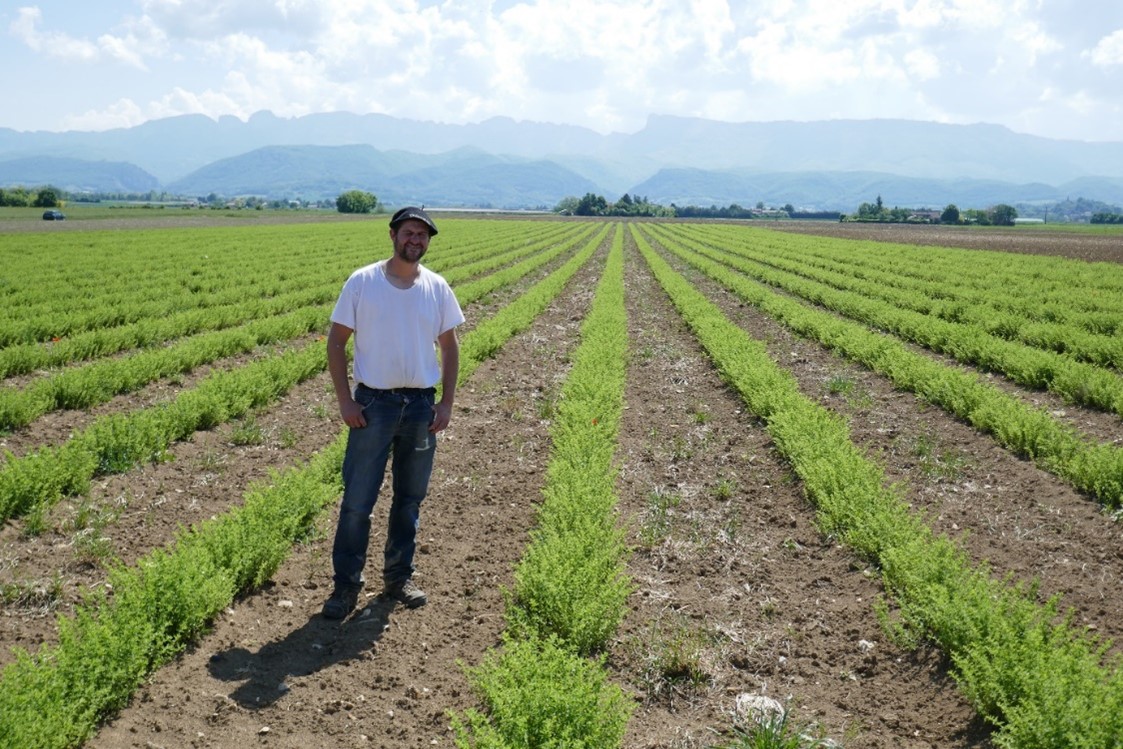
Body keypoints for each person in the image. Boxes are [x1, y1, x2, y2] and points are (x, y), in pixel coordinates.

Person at [321, 206, 464, 619]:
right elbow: (335, 343)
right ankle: (345, 587)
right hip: (373, 406)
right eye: (409, 232)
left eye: (423, 235)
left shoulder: (437, 287)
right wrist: (346, 401)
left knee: (409, 500)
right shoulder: (362, 282)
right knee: (357, 501)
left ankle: (398, 578)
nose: (415, 240)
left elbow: (450, 347)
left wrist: (447, 402)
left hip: (421, 407)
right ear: (392, 235)